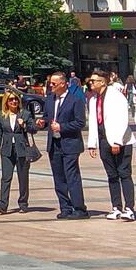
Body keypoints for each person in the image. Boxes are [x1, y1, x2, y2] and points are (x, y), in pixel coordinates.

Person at [36, 70, 89, 219]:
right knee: (58, 178)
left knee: (72, 176)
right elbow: (48, 116)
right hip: (54, 144)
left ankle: (80, 209)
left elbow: (80, 123)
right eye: (50, 83)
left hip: (70, 144)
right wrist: (43, 122)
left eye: (53, 83)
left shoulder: (75, 100)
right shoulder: (50, 99)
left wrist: (62, 127)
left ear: (63, 84)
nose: (50, 86)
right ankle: (65, 207)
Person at [89, 70, 136, 222]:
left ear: (102, 82)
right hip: (104, 140)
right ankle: (116, 207)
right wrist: (92, 144)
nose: (90, 83)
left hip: (121, 140)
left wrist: (117, 140)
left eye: (93, 81)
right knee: (111, 175)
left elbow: (122, 118)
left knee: (124, 173)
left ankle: (129, 208)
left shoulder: (116, 96)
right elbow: (93, 122)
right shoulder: (93, 100)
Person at [0, 92, 40, 214]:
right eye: (11, 100)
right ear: (6, 102)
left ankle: (23, 204)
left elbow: (34, 129)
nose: (14, 102)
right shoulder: (2, 116)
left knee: (23, 178)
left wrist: (24, 125)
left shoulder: (25, 114)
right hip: (7, 150)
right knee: (6, 178)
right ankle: (3, 204)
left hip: (22, 149)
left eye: (16, 99)